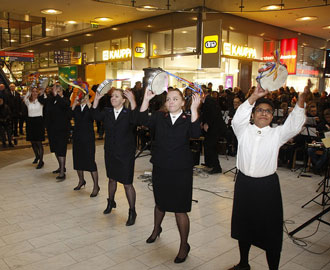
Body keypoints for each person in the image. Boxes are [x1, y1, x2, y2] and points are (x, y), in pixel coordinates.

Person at [228, 82, 309, 270]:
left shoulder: (277, 134)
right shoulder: (243, 130)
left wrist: (301, 102)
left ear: (272, 117)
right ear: (253, 114)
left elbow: (294, 125)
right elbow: (237, 118)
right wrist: (253, 97)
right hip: (244, 184)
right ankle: (243, 263)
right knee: (243, 225)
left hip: (267, 187)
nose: (264, 113)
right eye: (260, 110)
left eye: (268, 111)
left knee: (270, 230)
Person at [139, 88, 201, 264]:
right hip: (161, 167)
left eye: (175, 99)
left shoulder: (188, 119)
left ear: (183, 102)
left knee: (180, 209)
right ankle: (156, 229)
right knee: (160, 203)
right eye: (168, 99)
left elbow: (196, 134)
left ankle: (183, 245)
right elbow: (141, 120)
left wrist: (195, 109)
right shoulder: (160, 117)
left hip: (181, 170)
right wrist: (145, 99)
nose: (171, 102)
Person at [92, 88, 138, 226]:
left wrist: (133, 100)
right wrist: (96, 99)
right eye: (112, 96)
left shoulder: (128, 113)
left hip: (125, 154)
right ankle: (111, 202)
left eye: (116, 96)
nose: (113, 98)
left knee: (127, 183)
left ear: (123, 100)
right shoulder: (107, 112)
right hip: (111, 151)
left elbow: (138, 118)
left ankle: (132, 211)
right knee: (111, 179)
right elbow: (94, 115)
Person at [71, 94, 100, 197]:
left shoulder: (91, 107)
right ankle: (81, 181)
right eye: (81, 96)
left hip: (88, 138)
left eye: (84, 96)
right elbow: (69, 116)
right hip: (77, 137)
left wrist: (90, 104)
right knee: (77, 159)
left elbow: (96, 116)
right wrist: (74, 104)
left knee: (90, 161)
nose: (82, 98)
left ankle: (96, 186)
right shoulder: (77, 108)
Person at [42, 83, 70, 181]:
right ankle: (61, 166)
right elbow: (43, 101)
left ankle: (62, 172)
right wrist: (42, 91)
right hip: (52, 129)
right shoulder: (52, 99)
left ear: (60, 91)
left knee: (61, 150)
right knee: (55, 149)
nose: (52, 91)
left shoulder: (65, 100)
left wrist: (57, 95)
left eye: (54, 89)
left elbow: (65, 105)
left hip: (62, 130)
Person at [201, 89, 225, 174]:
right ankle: (209, 164)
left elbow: (213, 114)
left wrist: (207, 123)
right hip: (211, 128)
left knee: (211, 147)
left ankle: (216, 167)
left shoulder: (209, 101)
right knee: (207, 145)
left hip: (214, 128)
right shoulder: (207, 101)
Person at [23, 86, 46, 169]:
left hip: (39, 121)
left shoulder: (41, 101)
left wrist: (42, 91)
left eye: (36, 91)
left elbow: (45, 96)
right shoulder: (28, 102)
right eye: (33, 91)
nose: (35, 93)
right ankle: (37, 156)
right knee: (32, 142)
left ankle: (41, 161)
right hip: (30, 121)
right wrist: (29, 90)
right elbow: (25, 97)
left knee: (39, 142)